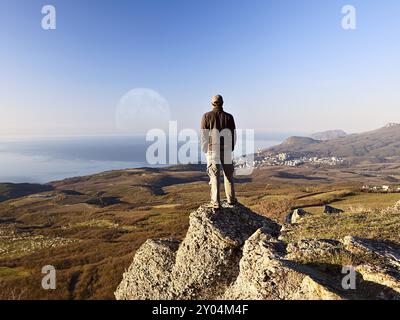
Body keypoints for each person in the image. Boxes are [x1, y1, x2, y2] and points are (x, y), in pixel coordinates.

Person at [201, 95, 237, 208]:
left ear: (212, 104)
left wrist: (205, 149)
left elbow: (204, 135)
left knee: (214, 176)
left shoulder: (206, 116)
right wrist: (231, 147)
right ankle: (231, 199)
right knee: (228, 176)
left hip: (213, 150)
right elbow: (233, 135)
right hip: (226, 149)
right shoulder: (229, 117)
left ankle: (215, 202)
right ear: (222, 103)